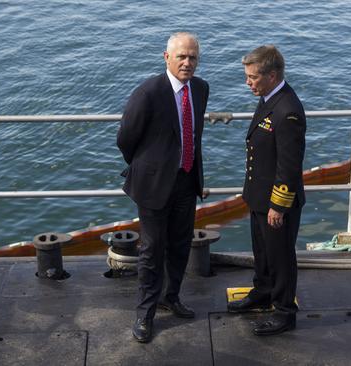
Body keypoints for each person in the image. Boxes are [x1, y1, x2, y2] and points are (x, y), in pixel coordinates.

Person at [117, 32, 209, 343]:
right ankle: (145, 313)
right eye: (181, 56)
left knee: (181, 244)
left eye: (192, 57)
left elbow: (193, 134)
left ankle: (172, 296)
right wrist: (149, 167)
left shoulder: (200, 89)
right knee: (152, 250)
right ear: (166, 57)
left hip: (186, 179)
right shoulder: (148, 93)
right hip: (154, 185)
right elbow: (126, 139)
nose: (187, 62)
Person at [227, 45, 306, 336]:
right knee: (262, 251)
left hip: (276, 201)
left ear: (272, 75)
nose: (248, 83)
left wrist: (279, 206)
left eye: (252, 77)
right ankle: (263, 290)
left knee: (281, 256)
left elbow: (288, 165)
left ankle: (284, 311)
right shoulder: (269, 98)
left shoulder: (287, 112)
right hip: (260, 196)